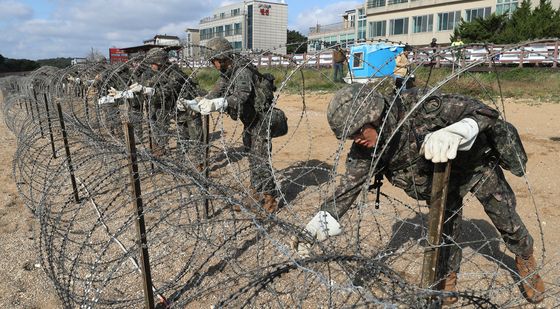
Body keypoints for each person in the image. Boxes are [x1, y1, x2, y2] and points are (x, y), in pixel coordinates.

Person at [294, 83, 545, 305]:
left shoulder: (421, 107)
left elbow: (485, 112)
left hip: (474, 166)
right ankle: (448, 277)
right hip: (440, 184)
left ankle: (525, 259)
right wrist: (318, 226)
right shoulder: (368, 149)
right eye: (349, 136)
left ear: (375, 116)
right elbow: (347, 189)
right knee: (445, 230)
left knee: (505, 218)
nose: (356, 139)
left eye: (358, 131)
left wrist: (460, 130)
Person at [182, 37, 283, 214]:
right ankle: (256, 193)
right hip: (250, 122)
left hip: (260, 121)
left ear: (221, 58)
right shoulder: (228, 71)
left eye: (213, 61)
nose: (213, 65)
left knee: (260, 160)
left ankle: (269, 200)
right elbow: (217, 91)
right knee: (253, 159)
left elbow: (241, 96)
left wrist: (218, 104)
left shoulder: (242, 70)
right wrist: (198, 102)